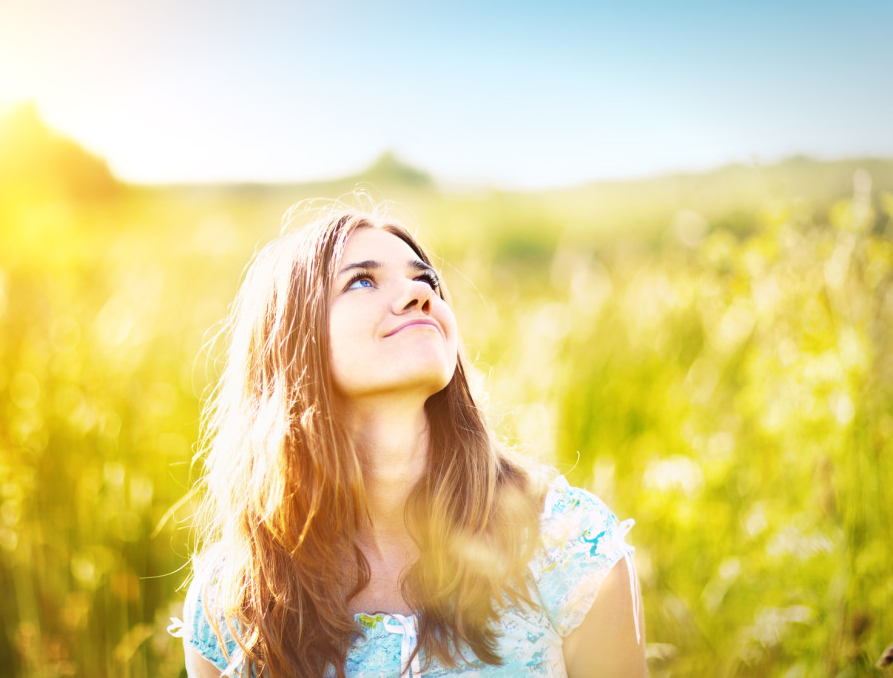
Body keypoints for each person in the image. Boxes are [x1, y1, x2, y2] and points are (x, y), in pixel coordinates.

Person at [170, 201, 646, 677]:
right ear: (291, 339)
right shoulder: (234, 602)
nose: (419, 296)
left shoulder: (564, 546)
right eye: (362, 280)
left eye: (427, 281)